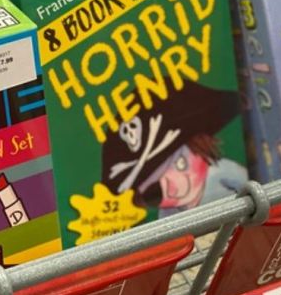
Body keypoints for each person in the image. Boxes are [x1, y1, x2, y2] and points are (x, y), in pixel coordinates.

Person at [101, 81, 247, 218]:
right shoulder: (168, 214)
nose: (174, 187)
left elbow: (254, 193)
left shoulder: (223, 173)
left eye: (181, 164)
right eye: (155, 191)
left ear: (200, 143)